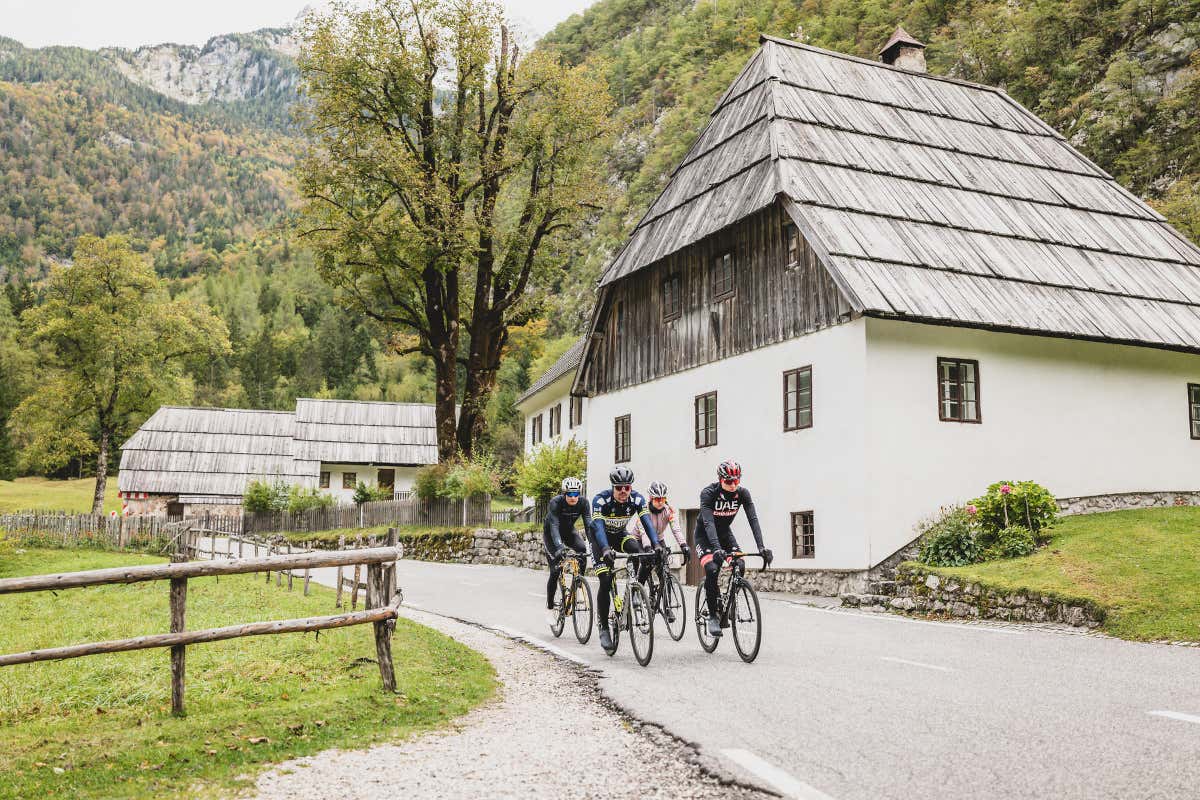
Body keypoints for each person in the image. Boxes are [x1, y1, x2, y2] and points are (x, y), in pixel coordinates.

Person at [695, 460, 773, 638]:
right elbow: (708, 523)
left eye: (736, 481)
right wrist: (716, 549)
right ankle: (713, 615)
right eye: (729, 482)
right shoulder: (708, 493)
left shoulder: (743, 494)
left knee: (740, 564)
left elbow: (753, 520)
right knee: (712, 569)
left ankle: (729, 604)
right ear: (720, 479)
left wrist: (761, 547)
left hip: (724, 534)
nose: (733, 485)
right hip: (705, 536)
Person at [589, 466, 660, 651]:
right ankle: (604, 627)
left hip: (619, 535)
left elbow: (647, 523)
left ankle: (636, 589)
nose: (623, 492)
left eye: (626, 488)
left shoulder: (637, 499)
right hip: (599, 539)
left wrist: (656, 545)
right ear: (613, 487)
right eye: (619, 488)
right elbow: (597, 526)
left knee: (642, 554)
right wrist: (604, 549)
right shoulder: (601, 500)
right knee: (605, 580)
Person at [625, 481, 689, 622]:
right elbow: (644, 533)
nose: (660, 502)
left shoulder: (669, 511)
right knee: (647, 561)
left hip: (658, 540)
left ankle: (667, 608)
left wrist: (684, 545)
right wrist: (649, 549)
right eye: (657, 499)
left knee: (664, 571)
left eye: (663, 499)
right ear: (650, 499)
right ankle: (637, 591)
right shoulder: (644, 512)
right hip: (639, 540)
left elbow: (676, 529)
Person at [543, 477, 592, 626]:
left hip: (569, 532)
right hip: (552, 535)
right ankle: (550, 608)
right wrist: (559, 547)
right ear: (564, 494)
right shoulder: (556, 503)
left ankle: (577, 586)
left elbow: (588, 523)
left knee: (582, 550)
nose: (573, 497)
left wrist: (594, 544)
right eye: (570, 494)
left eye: (576, 494)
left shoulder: (584, 503)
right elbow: (554, 525)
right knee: (555, 570)